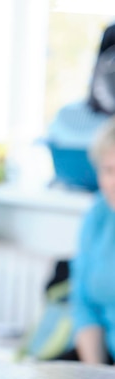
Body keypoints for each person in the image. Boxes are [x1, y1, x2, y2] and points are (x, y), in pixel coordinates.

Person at [66, 116, 115, 365]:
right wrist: (97, 376)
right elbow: (83, 304)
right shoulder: (98, 212)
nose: (113, 182)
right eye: (108, 170)